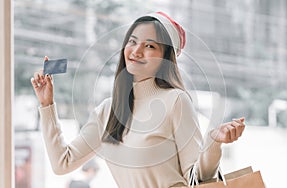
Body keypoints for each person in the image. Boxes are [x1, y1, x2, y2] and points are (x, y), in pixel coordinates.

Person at [31, 12, 245, 187]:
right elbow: (62, 163)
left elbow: (198, 180)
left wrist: (214, 143)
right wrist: (47, 105)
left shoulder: (176, 101)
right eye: (132, 42)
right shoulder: (108, 110)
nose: (136, 51)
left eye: (150, 46)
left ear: (165, 57)